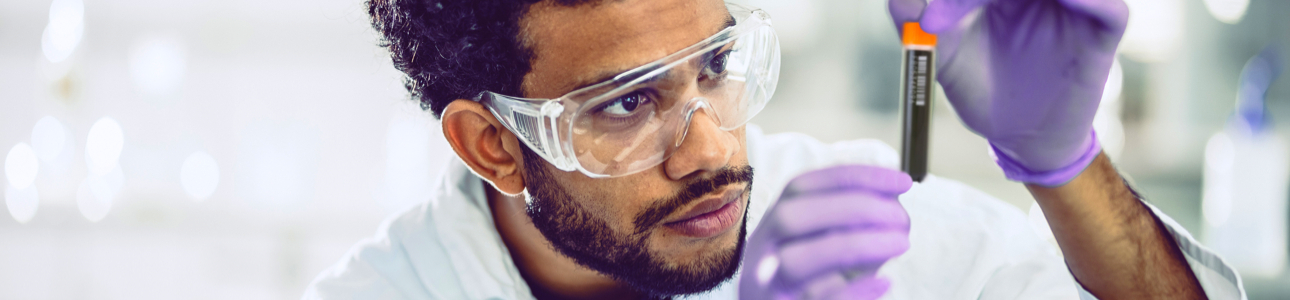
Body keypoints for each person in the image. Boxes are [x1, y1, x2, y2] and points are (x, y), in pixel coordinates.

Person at [305, 0, 1244, 299]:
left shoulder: (854, 227)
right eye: (630, 102)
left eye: (716, 65)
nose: (710, 147)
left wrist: (1064, 164)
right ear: (494, 147)